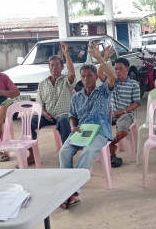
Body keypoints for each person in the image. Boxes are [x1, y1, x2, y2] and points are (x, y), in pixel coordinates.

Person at [58, 41, 115, 209]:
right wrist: (72, 126)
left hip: (100, 132)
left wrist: (100, 58)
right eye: (82, 76)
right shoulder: (76, 97)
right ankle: (68, 187)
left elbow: (111, 77)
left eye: (89, 75)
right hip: (82, 131)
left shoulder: (103, 91)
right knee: (64, 151)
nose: (85, 79)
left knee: (89, 151)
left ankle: (73, 192)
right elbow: (72, 116)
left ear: (95, 77)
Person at [27, 42, 76, 164]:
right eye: (51, 65)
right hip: (48, 116)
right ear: (49, 67)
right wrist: (43, 112)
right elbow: (40, 103)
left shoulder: (66, 80)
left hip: (63, 114)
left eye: (57, 65)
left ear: (62, 67)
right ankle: (31, 154)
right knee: (30, 121)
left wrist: (66, 53)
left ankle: (67, 153)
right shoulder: (43, 83)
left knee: (65, 120)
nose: (54, 67)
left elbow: (72, 73)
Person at [100, 57, 141, 168]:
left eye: (120, 68)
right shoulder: (112, 81)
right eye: (116, 69)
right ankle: (112, 155)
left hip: (125, 114)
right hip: (110, 114)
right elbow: (100, 75)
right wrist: (104, 58)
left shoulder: (134, 84)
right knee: (98, 127)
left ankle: (112, 145)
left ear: (126, 69)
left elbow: (136, 103)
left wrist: (123, 111)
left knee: (122, 130)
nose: (117, 71)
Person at [0, 72, 20, 162]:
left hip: (6, 108)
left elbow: (17, 93)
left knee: (3, 108)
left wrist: (2, 92)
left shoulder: (3, 77)